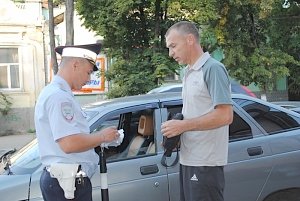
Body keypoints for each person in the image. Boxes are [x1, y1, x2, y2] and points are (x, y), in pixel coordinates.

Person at [34, 43, 119, 201]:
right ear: (75, 64)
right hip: (66, 182)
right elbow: (69, 144)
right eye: (88, 72)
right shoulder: (59, 97)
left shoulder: (56, 93)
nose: (88, 79)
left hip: (65, 180)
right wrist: (102, 136)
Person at [161, 21, 233, 201]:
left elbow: (225, 115)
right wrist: (177, 134)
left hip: (205, 164)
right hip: (189, 160)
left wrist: (183, 126)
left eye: (173, 46)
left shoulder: (213, 68)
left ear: (190, 39)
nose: (171, 53)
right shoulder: (188, 72)